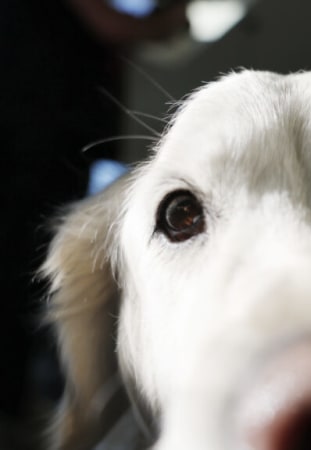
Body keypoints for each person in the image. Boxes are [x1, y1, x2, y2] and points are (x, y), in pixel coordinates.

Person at [0, 1, 186, 446]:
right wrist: (166, 21)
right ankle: (11, 407)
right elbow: (110, 24)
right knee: (18, 268)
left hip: (51, 131)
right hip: (33, 132)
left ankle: (16, 401)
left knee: (23, 268)